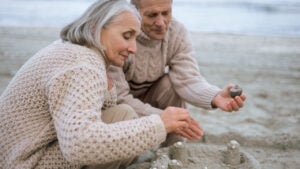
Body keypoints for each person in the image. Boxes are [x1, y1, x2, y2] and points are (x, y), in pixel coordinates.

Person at [0, 0, 202, 169]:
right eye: (126, 36)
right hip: (23, 163)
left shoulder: (78, 52)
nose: (133, 48)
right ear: (97, 27)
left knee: (122, 114)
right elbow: (79, 144)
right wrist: (160, 123)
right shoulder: (82, 65)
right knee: (123, 118)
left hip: (25, 153)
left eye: (135, 38)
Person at [109, 0, 246, 141]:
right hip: (119, 106)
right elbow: (118, 98)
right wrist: (162, 118)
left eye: (166, 13)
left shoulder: (176, 32)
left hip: (149, 96)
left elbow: (187, 79)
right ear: (134, 11)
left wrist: (215, 96)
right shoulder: (120, 35)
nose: (161, 23)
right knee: (124, 111)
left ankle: (174, 147)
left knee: (171, 84)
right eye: (152, 15)